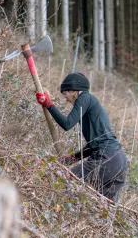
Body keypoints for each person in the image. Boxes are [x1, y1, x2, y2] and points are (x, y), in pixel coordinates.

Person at [35, 72, 128, 203]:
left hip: (106, 158)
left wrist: (49, 104)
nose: (65, 99)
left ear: (74, 90)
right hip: (119, 160)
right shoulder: (90, 103)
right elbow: (94, 145)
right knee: (103, 208)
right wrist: (73, 158)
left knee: (68, 179)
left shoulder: (84, 98)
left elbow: (67, 124)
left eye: (65, 94)